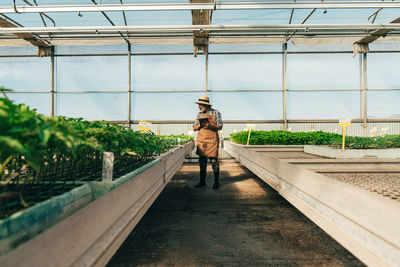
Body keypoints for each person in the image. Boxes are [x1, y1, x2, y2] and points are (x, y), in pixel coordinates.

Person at [193, 96, 223, 189]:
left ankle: (216, 182)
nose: (199, 107)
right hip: (202, 140)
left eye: (200, 105)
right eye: (198, 105)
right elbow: (194, 128)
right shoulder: (198, 114)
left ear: (206, 105)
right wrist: (200, 125)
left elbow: (220, 126)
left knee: (214, 161)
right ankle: (202, 182)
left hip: (212, 140)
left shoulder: (216, 113)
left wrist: (210, 125)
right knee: (202, 162)